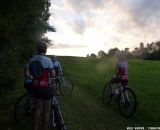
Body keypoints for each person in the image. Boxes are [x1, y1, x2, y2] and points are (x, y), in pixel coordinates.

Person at [25, 40, 55, 130]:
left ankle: (36, 128)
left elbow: (29, 72)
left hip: (36, 87)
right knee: (46, 111)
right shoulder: (48, 60)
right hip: (45, 87)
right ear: (45, 49)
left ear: (37, 49)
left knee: (37, 109)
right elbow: (53, 74)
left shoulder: (32, 59)